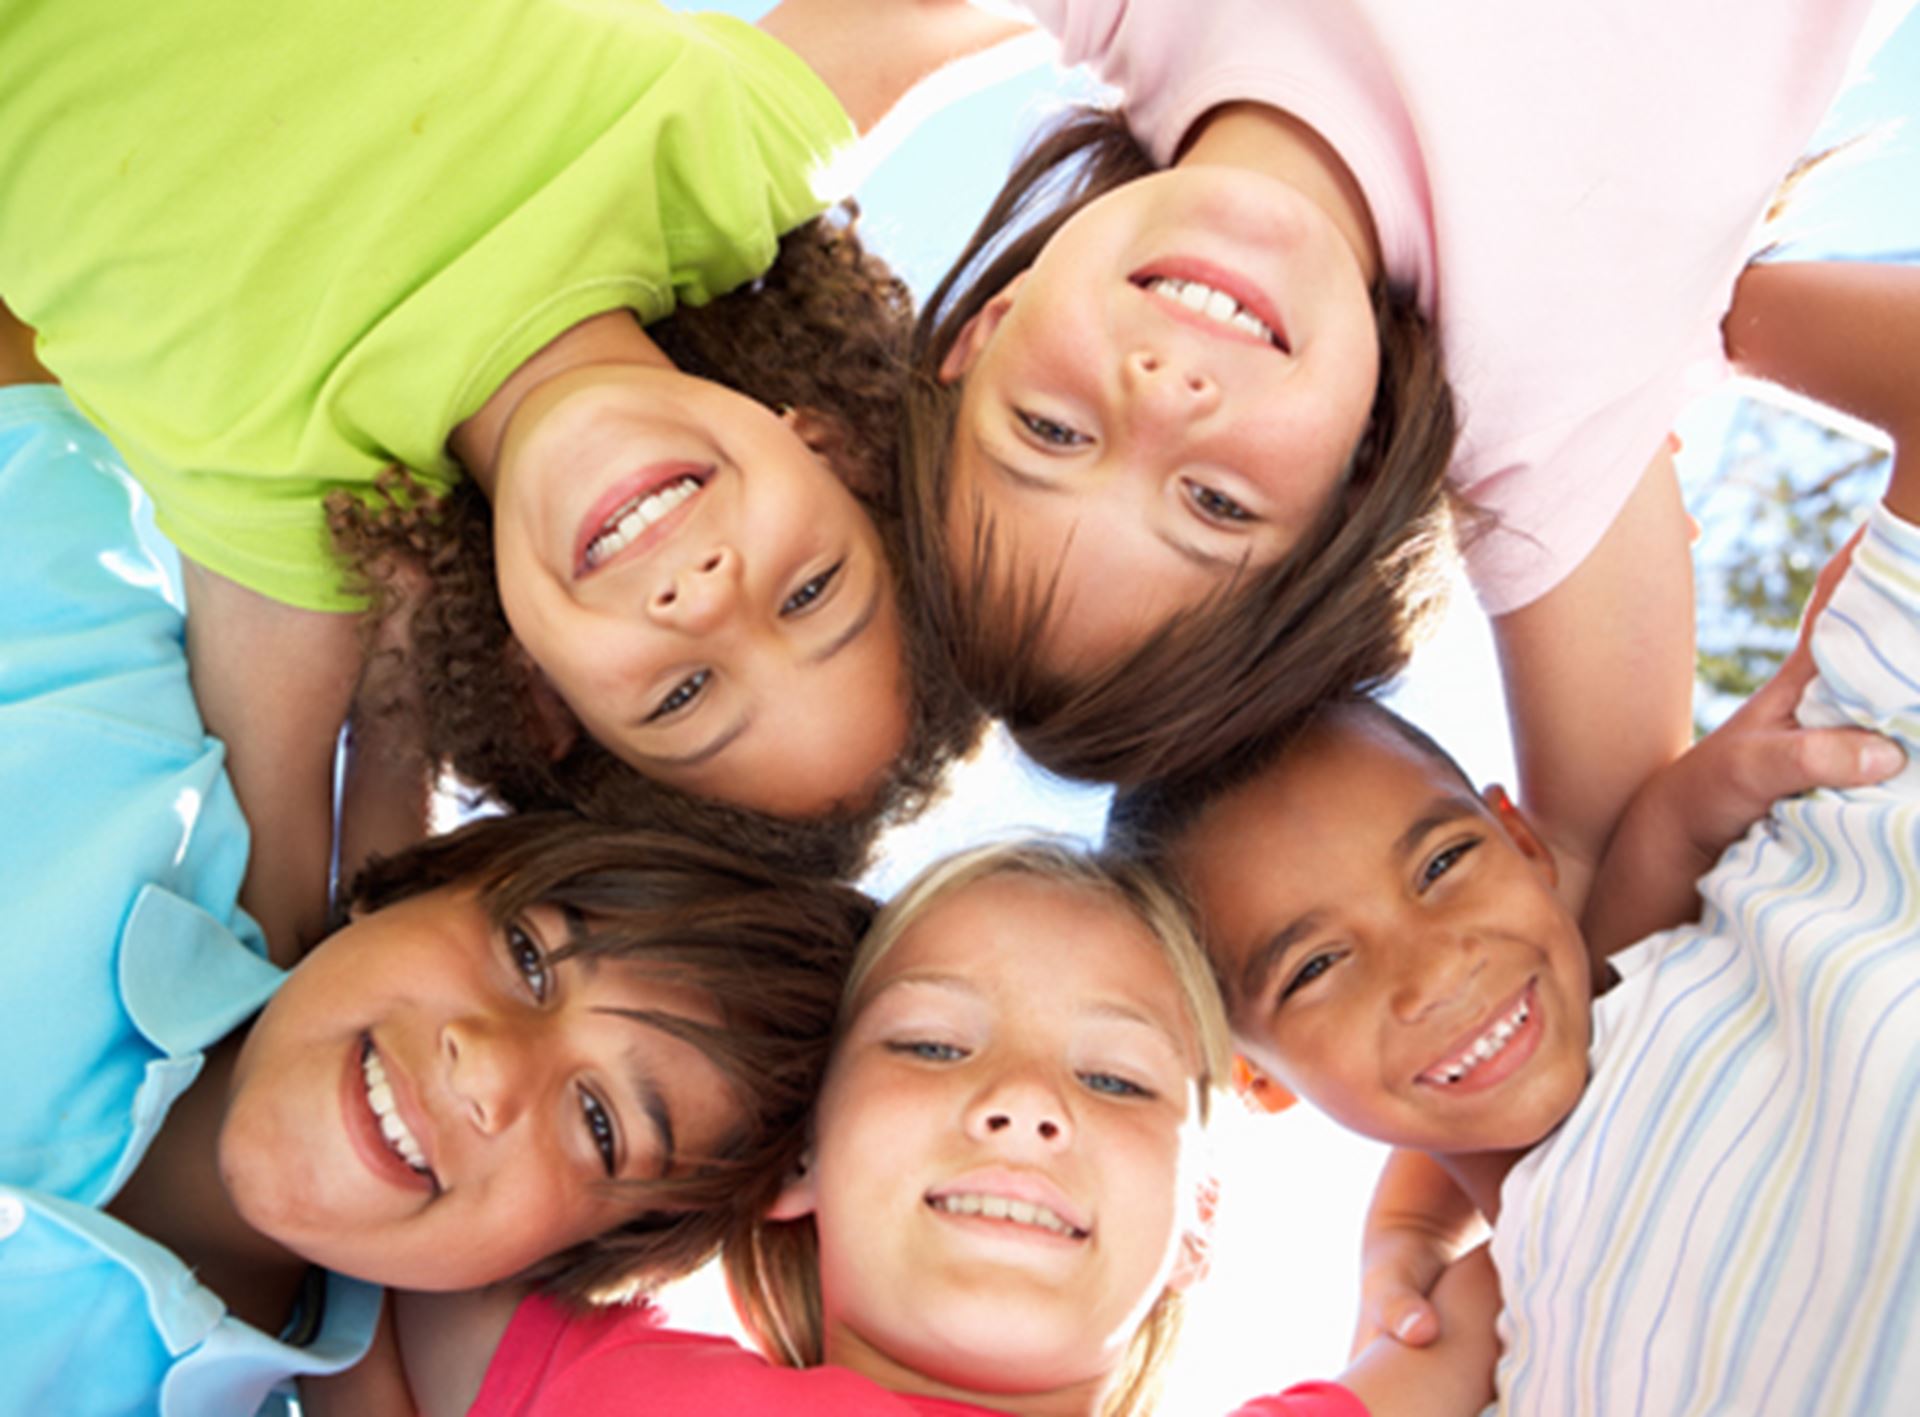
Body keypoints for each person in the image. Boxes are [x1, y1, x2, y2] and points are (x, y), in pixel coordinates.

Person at [0, 0, 1018, 959]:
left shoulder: (307, 531)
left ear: (544, 697)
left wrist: (402, 742)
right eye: (809, 592)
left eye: (685, 693)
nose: (709, 594)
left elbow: (286, 954)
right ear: (834, 449)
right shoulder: (714, 164)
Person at [898, 0, 1912, 910]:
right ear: (1351, 486)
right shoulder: (1540, 395)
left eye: (1053, 432)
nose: (1164, 398)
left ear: (988, 328)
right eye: (1213, 501)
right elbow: (1595, 871)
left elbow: (775, 100)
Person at [1123, 261, 1920, 1411]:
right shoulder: (1496, 1363)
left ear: (1521, 839)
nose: (1435, 961)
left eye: (1444, 863)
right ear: (1250, 1075)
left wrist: (1681, 315)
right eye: (1315, 965)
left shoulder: (1794, 823)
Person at [0, 381, 879, 1415]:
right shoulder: (86, 682)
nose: (486, 1064)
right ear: (422, 881)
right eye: (529, 956)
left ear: (569, 1265)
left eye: (599, 1123)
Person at [381, 842, 1501, 1417]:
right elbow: (373, 1115)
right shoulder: (598, 1383)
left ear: (1197, 1223)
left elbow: (1579, 1144)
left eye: (1115, 1078)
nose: (1024, 1102)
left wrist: (1415, 1214)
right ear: (798, 1150)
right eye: (929, 1045)